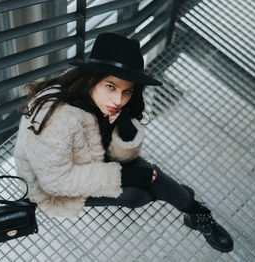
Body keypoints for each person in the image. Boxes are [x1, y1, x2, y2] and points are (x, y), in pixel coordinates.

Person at [13, 32, 233, 252]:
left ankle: (197, 214)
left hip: (85, 157)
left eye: (126, 91)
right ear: (92, 78)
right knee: (137, 194)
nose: (118, 100)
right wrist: (128, 176)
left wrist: (124, 123)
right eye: (111, 86)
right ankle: (171, 193)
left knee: (151, 177)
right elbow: (56, 181)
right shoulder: (58, 117)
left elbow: (122, 154)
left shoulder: (100, 99)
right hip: (50, 185)